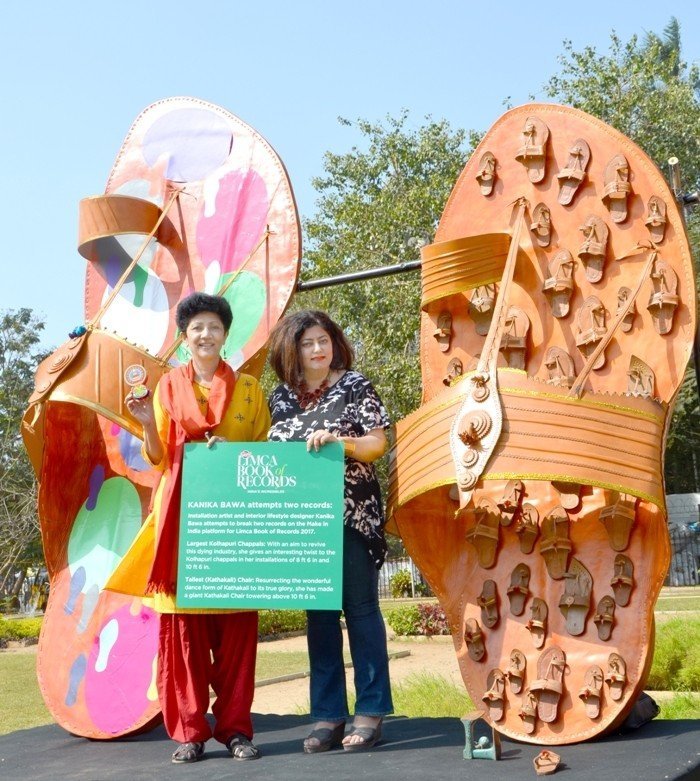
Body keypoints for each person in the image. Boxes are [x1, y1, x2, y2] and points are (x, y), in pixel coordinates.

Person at [117, 292, 270, 764]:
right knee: (183, 635)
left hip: (234, 524)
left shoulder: (249, 391)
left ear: (226, 335)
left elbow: (265, 452)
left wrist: (236, 455)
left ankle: (237, 730)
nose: (206, 335)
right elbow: (160, 458)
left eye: (214, 327)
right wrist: (145, 424)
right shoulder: (164, 388)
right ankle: (189, 731)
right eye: (197, 327)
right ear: (185, 337)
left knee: (238, 632)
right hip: (181, 524)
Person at [267, 309, 394, 753]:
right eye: (307, 343)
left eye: (323, 340)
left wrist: (342, 443)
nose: (317, 349)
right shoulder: (280, 397)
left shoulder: (354, 385)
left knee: (359, 612)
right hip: (304, 522)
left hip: (352, 516)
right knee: (319, 618)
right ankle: (327, 715)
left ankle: (371, 711)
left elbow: (378, 443)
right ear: (292, 349)